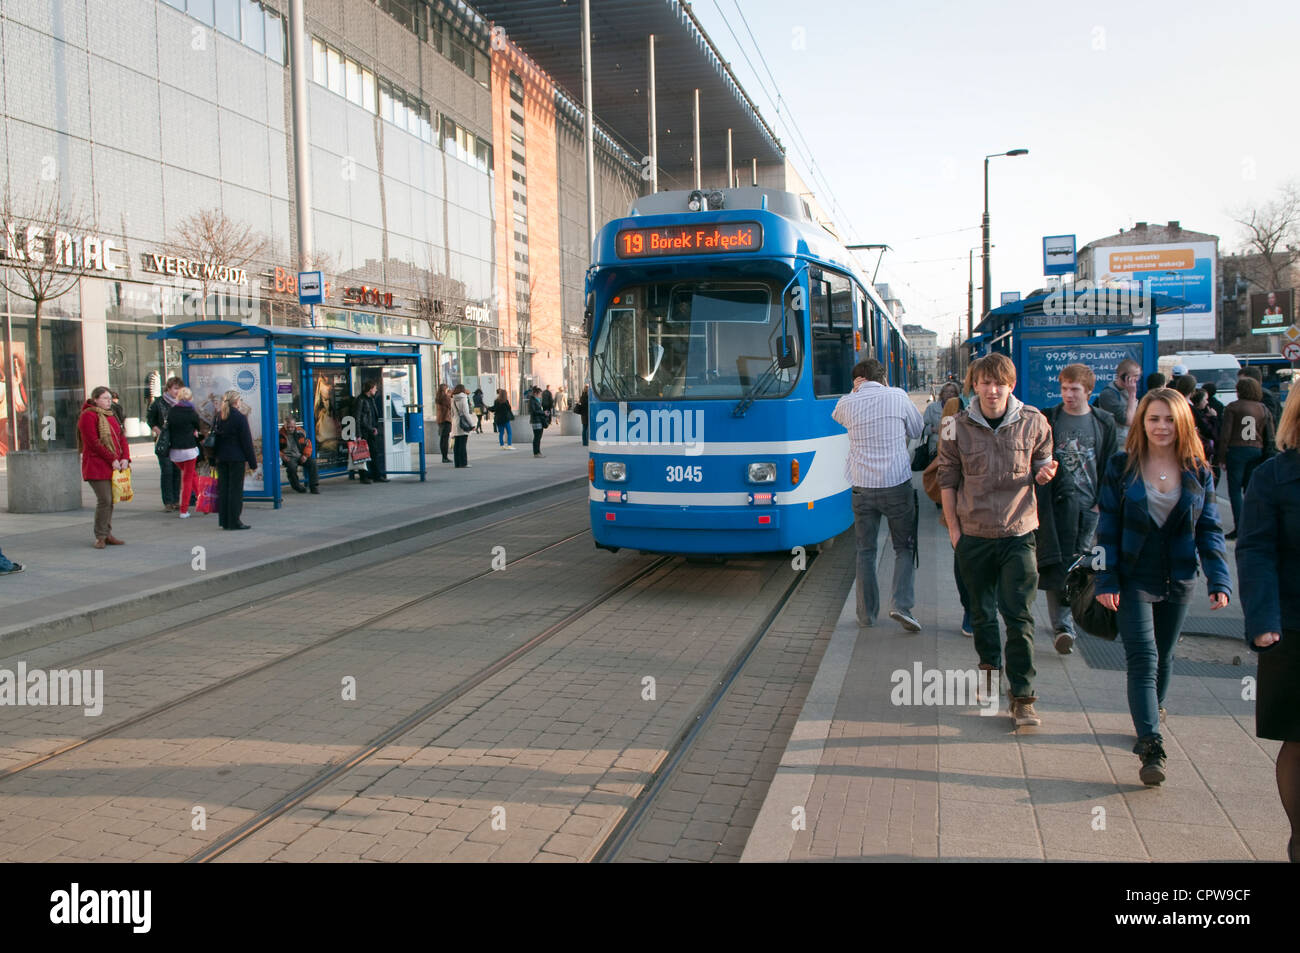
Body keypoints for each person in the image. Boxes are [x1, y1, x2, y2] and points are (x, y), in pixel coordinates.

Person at [1095, 389, 1231, 785]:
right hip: (1134, 577)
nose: (1161, 427)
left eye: (1170, 419)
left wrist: (1219, 578)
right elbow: (1106, 530)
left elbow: (1209, 528)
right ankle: (1151, 744)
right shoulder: (1122, 466)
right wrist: (1106, 577)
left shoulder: (1198, 470)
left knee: (1166, 655)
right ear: (1142, 423)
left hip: (1179, 577)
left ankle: (1154, 709)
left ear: (1183, 423)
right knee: (1144, 658)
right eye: (1154, 419)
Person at [937, 352, 1057, 727]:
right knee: (982, 614)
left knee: (1018, 616)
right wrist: (954, 531)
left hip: (1018, 533)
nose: (992, 390)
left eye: (999, 383)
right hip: (973, 535)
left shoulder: (1035, 422)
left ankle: (1022, 697)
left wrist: (1045, 473)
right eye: (985, 383)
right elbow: (946, 480)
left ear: (1011, 385)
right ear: (975, 385)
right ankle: (989, 671)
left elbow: (1043, 462)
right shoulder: (953, 426)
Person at [1235, 384, 1300, 863]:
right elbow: (1255, 549)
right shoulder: (1273, 477)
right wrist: (1263, 620)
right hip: (1293, 626)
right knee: (1298, 738)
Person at [832, 358, 924, 632]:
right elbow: (917, 430)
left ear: (856, 381)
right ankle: (901, 606)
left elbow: (836, 415)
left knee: (865, 551)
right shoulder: (897, 396)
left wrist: (854, 392)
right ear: (883, 378)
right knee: (904, 548)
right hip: (896, 485)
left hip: (862, 488)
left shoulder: (848, 402)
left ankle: (866, 615)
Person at [1037, 364, 1118, 655]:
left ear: (1088, 391)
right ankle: (1063, 626)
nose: (1068, 394)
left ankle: (1081, 613)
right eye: (1064, 388)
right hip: (1059, 506)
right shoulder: (1051, 418)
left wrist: (1102, 501)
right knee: (1057, 561)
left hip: (1091, 505)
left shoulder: (1103, 422)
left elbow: (1110, 462)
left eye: (1074, 389)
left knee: (1083, 564)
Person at [1216, 375, 1275, 540]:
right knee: (1250, 490)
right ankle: (1254, 525)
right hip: (1257, 449)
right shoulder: (1263, 408)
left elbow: (1225, 433)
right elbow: (1270, 432)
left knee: (1234, 491)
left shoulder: (1233, 407)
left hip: (1236, 449)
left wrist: (1221, 456)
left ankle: (1240, 527)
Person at [77, 386, 130, 549]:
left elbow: (121, 438)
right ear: (95, 400)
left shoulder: (111, 415)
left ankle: (107, 534)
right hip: (96, 465)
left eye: (110, 398)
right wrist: (112, 458)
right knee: (104, 499)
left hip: (112, 465)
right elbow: (93, 443)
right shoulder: (88, 416)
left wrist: (125, 458)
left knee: (110, 501)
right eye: (105, 398)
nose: (109, 401)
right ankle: (100, 536)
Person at [213, 390, 257, 530]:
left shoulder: (219, 416)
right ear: (236, 401)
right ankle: (234, 521)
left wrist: (213, 459)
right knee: (235, 491)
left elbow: (215, 439)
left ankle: (224, 520)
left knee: (224, 490)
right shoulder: (240, 417)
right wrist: (252, 462)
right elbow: (246, 442)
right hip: (236, 458)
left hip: (222, 457)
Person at [166, 387, 203, 519]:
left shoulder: (172, 411)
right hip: (189, 450)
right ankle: (184, 510)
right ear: (190, 398)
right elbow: (197, 427)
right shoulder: (191, 412)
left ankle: (202, 502)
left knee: (191, 474)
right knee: (188, 479)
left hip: (175, 452)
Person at [148, 376, 184, 511]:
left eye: (179, 388)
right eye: (175, 388)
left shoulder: (181, 403)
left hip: (177, 441)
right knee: (167, 470)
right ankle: (168, 502)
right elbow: (150, 420)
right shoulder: (158, 402)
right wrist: (158, 431)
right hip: (164, 442)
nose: (177, 391)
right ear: (168, 388)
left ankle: (175, 500)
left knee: (176, 471)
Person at [1095, 359, 1140, 447]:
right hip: (1117, 443)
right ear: (1123, 375)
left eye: (1138, 376)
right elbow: (1128, 421)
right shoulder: (1108, 394)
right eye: (1135, 376)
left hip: (1130, 440)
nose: (1137, 379)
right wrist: (1132, 394)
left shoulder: (1127, 390)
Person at [356, 380, 387, 483]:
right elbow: (358, 418)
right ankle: (363, 477)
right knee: (362, 454)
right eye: (374, 388)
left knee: (374, 453)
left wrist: (374, 427)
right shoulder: (360, 400)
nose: (376, 390)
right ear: (370, 389)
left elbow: (372, 415)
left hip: (371, 430)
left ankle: (376, 475)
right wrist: (358, 434)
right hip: (365, 431)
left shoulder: (371, 399)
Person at [279, 416, 318, 494]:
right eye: (288, 427)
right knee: (291, 468)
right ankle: (297, 487)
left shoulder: (300, 432)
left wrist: (305, 455)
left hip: (300, 455)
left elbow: (308, 444)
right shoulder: (279, 434)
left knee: (313, 463)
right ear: (284, 425)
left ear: (295, 425)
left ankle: (313, 486)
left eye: (292, 427)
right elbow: (275, 448)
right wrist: (282, 455)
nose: (290, 429)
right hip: (288, 457)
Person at [922, 381, 961, 460]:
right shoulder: (932, 408)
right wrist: (932, 429)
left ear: (956, 394)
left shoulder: (961, 409)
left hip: (956, 450)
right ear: (942, 394)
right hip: (936, 449)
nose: (949, 394)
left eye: (952, 392)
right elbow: (922, 428)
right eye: (946, 391)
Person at [1190, 389, 1218, 462]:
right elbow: (1210, 432)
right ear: (1199, 401)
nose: (1207, 402)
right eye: (1205, 399)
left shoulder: (1201, 414)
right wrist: (1213, 418)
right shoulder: (1198, 416)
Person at [450, 383, 473, 468]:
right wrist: (472, 424)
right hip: (463, 423)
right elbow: (466, 413)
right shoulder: (464, 398)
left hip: (455, 422)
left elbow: (452, 413)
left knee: (457, 444)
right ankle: (464, 462)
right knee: (463, 444)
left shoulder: (452, 399)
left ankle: (457, 463)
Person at [435, 383, 452, 463]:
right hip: (446, 419)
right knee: (445, 439)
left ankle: (443, 456)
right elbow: (450, 406)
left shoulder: (438, 397)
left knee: (442, 439)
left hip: (440, 420)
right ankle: (445, 457)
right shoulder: (446, 397)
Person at [529, 386, 547, 457]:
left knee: (539, 437)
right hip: (536, 421)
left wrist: (543, 412)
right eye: (539, 394)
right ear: (535, 393)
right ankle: (536, 452)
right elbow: (533, 411)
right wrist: (543, 413)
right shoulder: (532, 401)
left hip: (539, 420)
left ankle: (538, 452)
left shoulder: (537, 400)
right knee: (537, 437)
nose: (540, 396)